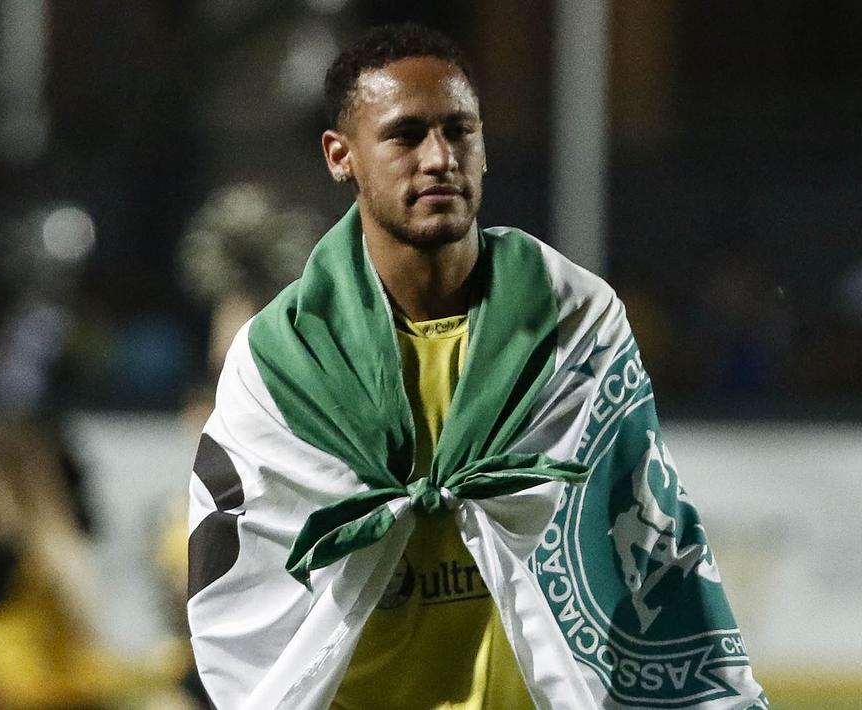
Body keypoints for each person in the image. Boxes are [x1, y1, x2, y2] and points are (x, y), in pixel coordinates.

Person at [187, 24, 768, 710]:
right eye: (405, 135)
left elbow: (648, 532)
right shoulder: (280, 358)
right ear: (341, 156)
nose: (439, 158)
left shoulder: (573, 319)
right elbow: (239, 579)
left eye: (458, 131)